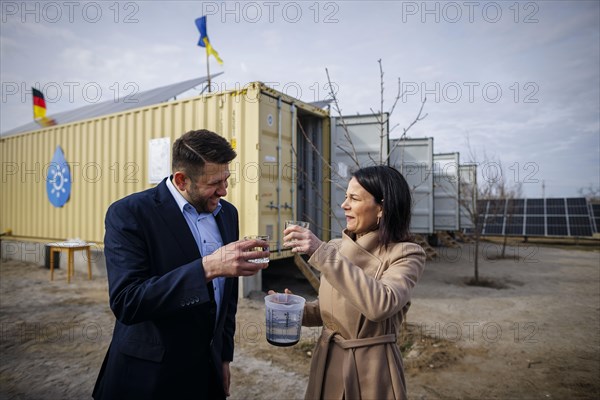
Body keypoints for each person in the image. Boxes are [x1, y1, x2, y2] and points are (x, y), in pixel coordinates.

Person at [93, 129, 269, 400]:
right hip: (148, 380)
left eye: (227, 180)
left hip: (205, 376)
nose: (223, 190)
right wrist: (208, 268)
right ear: (181, 179)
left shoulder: (228, 214)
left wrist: (223, 358)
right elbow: (128, 301)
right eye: (214, 183)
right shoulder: (129, 213)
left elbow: (227, 299)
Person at [281, 165, 426, 400]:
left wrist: (321, 251)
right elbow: (330, 310)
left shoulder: (407, 254)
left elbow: (381, 304)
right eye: (345, 197)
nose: (344, 205)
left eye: (354, 198)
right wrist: (294, 309)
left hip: (371, 371)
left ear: (381, 208)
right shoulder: (337, 247)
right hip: (327, 364)